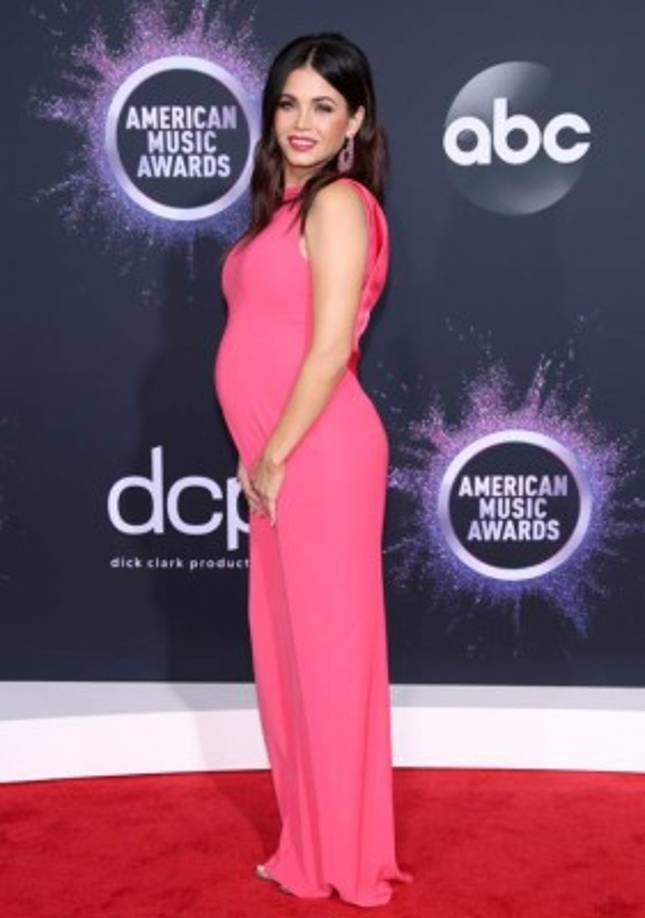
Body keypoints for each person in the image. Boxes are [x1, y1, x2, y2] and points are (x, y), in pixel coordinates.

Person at [213, 31, 414, 908]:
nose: (301, 122)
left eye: (322, 107)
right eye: (288, 103)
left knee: (327, 659)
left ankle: (347, 856)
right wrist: (260, 456)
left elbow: (331, 346)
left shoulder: (336, 204)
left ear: (354, 121)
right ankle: (310, 843)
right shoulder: (284, 205)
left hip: (316, 453)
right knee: (289, 657)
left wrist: (274, 454)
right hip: (283, 456)